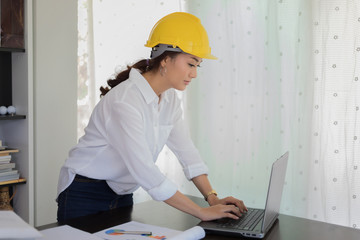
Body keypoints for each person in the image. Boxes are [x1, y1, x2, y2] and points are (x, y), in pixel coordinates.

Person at [57, 12, 247, 222]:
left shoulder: (169, 100)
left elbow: (187, 153)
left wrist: (212, 199)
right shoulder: (125, 101)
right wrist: (201, 212)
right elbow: (145, 170)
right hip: (85, 191)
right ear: (166, 60)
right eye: (191, 64)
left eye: (197, 66)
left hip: (121, 192)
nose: (194, 74)